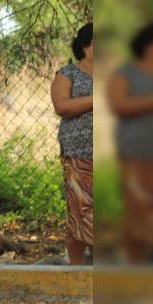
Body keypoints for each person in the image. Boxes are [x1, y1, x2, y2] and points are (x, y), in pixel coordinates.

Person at [107, 22, 153, 263]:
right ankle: (134, 268)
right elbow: (118, 105)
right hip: (136, 151)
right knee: (137, 207)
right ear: (147, 46)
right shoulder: (125, 73)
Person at [50, 23, 93, 265]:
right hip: (79, 154)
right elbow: (62, 106)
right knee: (80, 213)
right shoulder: (68, 74)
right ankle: (76, 272)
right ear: (87, 45)